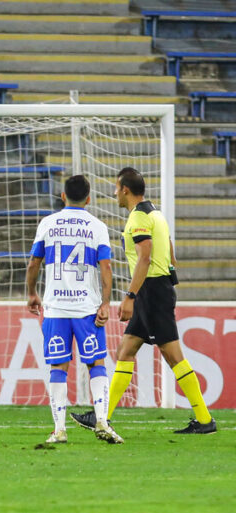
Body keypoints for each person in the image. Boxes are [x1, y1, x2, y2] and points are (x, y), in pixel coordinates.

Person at [71, 167, 216, 434]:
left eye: (116, 188)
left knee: (173, 356)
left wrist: (130, 296)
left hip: (150, 292)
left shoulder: (138, 218)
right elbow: (169, 248)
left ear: (125, 190)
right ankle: (102, 416)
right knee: (125, 351)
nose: (115, 193)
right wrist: (169, 270)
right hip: (156, 289)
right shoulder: (156, 214)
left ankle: (205, 420)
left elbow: (145, 258)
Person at [26, 175, 123, 444]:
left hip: (56, 308)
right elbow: (106, 267)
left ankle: (59, 430)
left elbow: (34, 262)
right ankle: (102, 421)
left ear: (62, 196)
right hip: (86, 309)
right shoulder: (97, 227)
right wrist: (105, 303)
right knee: (96, 363)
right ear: (89, 199)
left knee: (58, 365)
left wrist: (32, 293)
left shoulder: (48, 223)